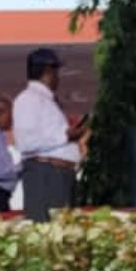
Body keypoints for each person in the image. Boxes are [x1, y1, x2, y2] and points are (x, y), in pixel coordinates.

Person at [12, 49, 88, 223]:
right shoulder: (27, 99)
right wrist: (66, 136)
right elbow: (26, 142)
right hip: (45, 174)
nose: (58, 78)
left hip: (58, 174)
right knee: (48, 233)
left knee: (64, 233)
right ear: (48, 72)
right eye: (56, 72)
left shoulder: (46, 100)